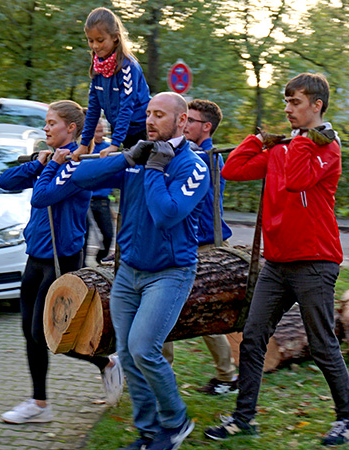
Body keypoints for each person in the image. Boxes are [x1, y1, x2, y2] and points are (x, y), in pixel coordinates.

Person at [204, 73, 349, 447]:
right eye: (287, 101)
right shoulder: (282, 149)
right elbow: (232, 170)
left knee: (323, 344)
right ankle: (244, 419)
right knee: (254, 336)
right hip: (276, 263)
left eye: (296, 102)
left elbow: (296, 181)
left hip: (314, 261)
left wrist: (306, 141)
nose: (288, 109)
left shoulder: (327, 149)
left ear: (317, 105)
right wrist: (260, 141)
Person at [73, 92, 209, 450]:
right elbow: (81, 177)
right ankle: (149, 433)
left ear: (181, 122)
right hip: (129, 272)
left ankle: (176, 422)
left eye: (159, 115)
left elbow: (167, 213)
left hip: (170, 273)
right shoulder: (140, 155)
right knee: (129, 354)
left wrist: (152, 171)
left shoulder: (193, 166)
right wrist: (125, 160)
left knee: (144, 348)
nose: (150, 120)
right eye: (148, 113)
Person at [0, 100, 123, 424]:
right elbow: (5, 181)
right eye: (46, 122)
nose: (46, 128)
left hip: (60, 260)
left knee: (45, 334)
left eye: (51, 122)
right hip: (36, 256)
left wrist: (51, 165)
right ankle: (40, 404)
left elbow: (42, 196)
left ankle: (107, 364)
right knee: (29, 332)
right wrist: (39, 163)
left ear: (71, 128)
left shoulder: (77, 166)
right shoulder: (54, 161)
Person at [162, 99, 238, 396]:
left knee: (185, 311)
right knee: (192, 312)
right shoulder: (198, 153)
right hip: (194, 243)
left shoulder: (204, 156)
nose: (185, 124)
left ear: (206, 127)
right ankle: (225, 375)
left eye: (190, 120)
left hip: (202, 245)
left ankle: (225, 375)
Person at [72, 7, 150, 162]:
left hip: (140, 129)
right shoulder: (98, 68)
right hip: (121, 129)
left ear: (115, 37)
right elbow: (94, 107)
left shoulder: (127, 67)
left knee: (139, 174)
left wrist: (115, 143)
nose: (95, 46)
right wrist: (84, 143)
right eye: (90, 40)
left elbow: (126, 107)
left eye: (100, 40)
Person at [83, 119, 115, 266]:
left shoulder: (108, 148)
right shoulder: (85, 148)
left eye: (101, 130)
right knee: (85, 234)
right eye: (96, 131)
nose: (99, 134)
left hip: (102, 199)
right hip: (87, 199)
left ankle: (100, 259)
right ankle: (82, 265)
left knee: (108, 234)